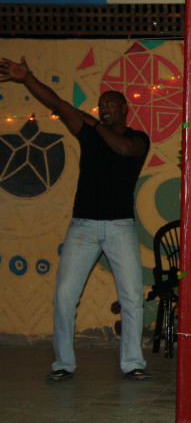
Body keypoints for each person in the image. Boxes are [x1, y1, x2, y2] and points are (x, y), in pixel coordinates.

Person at [0, 56, 151, 381]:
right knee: (65, 296)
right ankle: (63, 364)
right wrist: (27, 78)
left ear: (125, 109)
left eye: (110, 104)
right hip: (82, 226)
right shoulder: (88, 132)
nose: (104, 108)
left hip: (120, 227)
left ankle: (133, 363)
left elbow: (123, 149)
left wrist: (94, 124)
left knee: (132, 297)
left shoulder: (138, 138)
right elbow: (58, 104)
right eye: (101, 105)